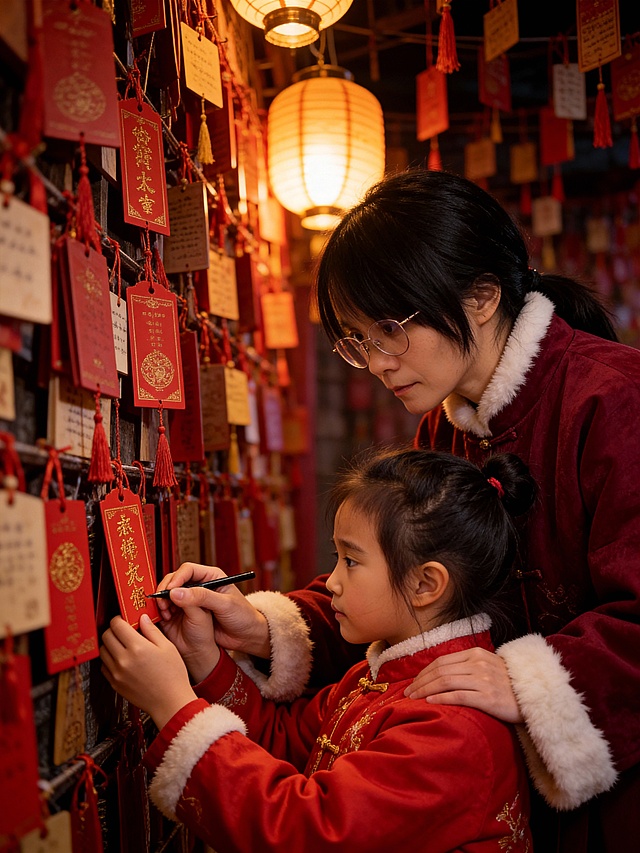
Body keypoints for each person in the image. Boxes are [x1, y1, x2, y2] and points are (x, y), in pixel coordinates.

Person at [155, 169, 640, 852]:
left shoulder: (614, 397)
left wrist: (530, 682)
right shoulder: (444, 430)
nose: (378, 362)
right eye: (357, 340)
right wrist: (262, 627)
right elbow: (410, 593)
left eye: (388, 329)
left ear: (481, 297)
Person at [100, 447, 536, 853]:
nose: (331, 582)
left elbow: (309, 831)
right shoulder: (380, 673)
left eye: (351, 560)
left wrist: (173, 705)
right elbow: (282, 743)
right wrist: (202, 659)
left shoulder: (453, 725)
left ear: (425, 584)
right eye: (336, 556)